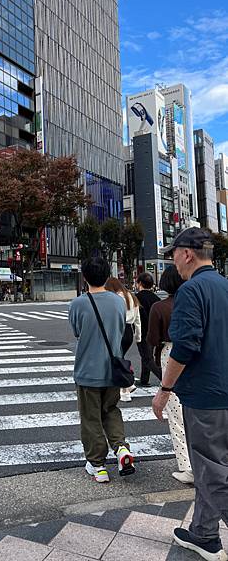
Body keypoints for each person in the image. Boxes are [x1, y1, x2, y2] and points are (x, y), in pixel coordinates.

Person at [152, 228, 228, 561]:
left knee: (212, 470)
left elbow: (184, 347)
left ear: (187, 254)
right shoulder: (225, 286)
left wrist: (165, 390)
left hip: (205, 396)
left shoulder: (191, 291)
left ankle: (207, 535)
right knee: (217, 465)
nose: (173, 262)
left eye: (173, 254)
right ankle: (203, 533)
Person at [69, 257, 135, 483]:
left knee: (90, 418)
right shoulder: (118, 302)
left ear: (84, 277)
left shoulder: (78, 303)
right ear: (107, 276)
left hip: (88, 370)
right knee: (111, 410)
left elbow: (77, 332)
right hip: (113, 369)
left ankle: (98, 466)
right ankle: (121, 449)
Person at [147, 265, 192, 484]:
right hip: (196, 354)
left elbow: (152, 339)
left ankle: (187, 466)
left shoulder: (160, 307)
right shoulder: (195, 302)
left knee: (176, 413)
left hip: (170, 354)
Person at [105, 277, 141, 402]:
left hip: (118, 329)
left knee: (117, 359)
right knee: (119, 358)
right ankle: (125, 389)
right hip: (129, 331)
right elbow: (137, 319)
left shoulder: (115, 298)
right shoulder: (131, 296)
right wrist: (138, 336)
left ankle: (127, 386)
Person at [136, 272, 161, 385]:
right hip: (155, 331)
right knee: (147, 355)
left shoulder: (137, 298)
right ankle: (144, 379)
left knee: (147, 358)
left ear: (140, 283)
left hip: (142, 331)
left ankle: (164, 378)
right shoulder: (156, 298)